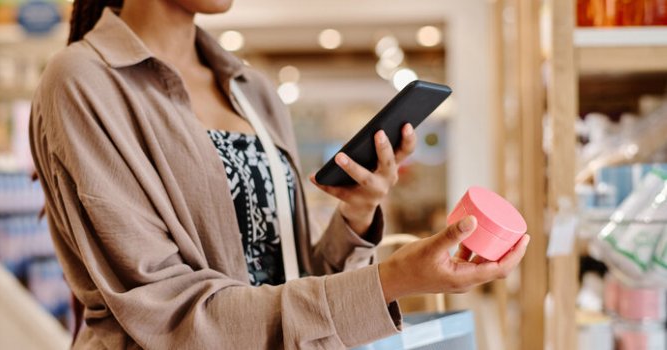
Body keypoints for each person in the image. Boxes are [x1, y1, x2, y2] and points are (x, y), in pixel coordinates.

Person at [29, 0, 530, 348]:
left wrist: (356, 216)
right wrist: (392, 279)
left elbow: (291, 281)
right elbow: (172, 317)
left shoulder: (254, 90)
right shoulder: (84, 82)